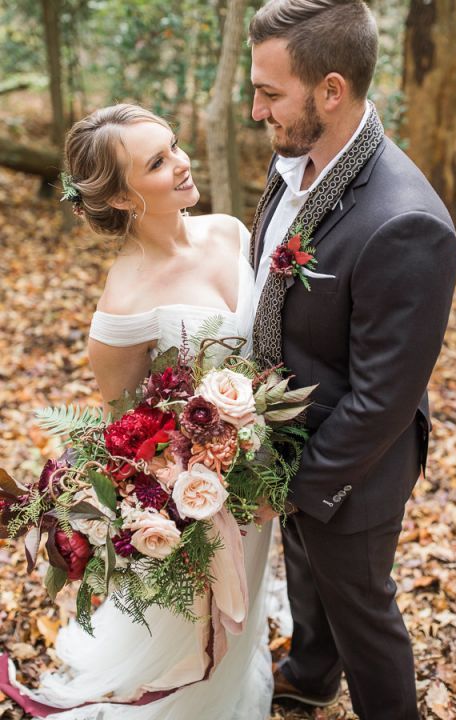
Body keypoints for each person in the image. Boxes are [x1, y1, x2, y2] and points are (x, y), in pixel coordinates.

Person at [1, 104, 273, 720]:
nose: (181, 164)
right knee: (196, 640)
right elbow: (128, 440)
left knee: (250, 602)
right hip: (206, 501)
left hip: (261, 473)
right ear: (122, 198)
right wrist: (199, 475)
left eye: (173, 146)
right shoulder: (124, 303)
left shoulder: (230, 230)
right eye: (156, 163)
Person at [248, 1, 456, 719]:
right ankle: (310, 674)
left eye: (270, 93)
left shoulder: (406, 223)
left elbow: (382, 401)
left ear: (331, 91)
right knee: (307, 578)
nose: (255, 111)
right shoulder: (295, 156)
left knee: (363, 611)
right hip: (289, 442)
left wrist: (299, 486)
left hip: (354, 467)